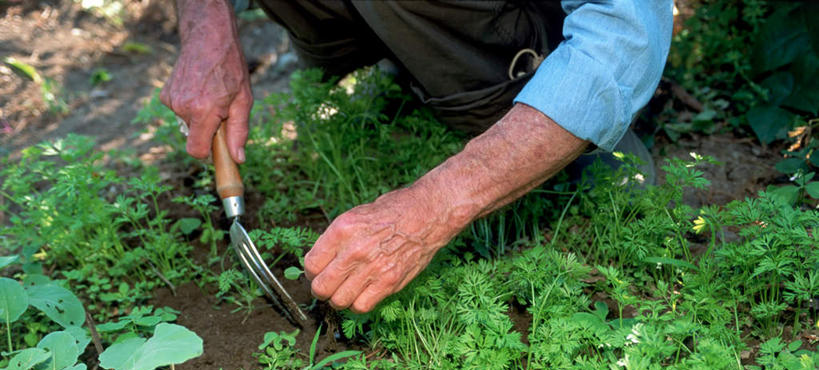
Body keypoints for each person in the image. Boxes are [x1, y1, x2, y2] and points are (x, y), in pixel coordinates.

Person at [161, 0, 673, 314]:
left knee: (620, 187)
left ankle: (532, 103)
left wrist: (432, 207)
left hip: (534, 24)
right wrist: (206, 26)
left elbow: (620, 36)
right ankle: (408, 67)